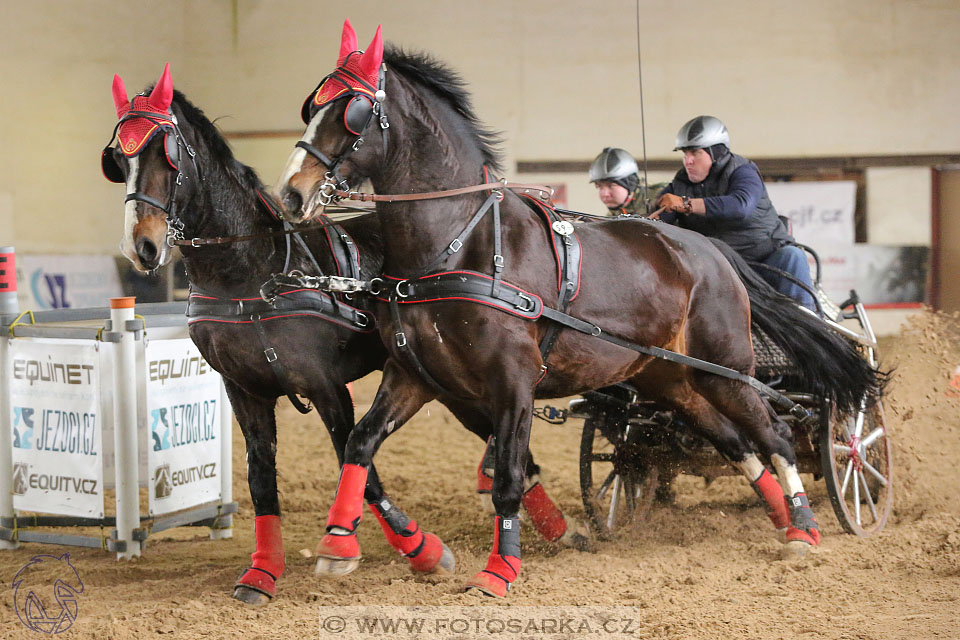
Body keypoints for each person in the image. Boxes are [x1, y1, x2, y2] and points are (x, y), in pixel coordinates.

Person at [653, 116, 816, 310]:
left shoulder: (743, 171)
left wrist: (686, 204)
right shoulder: (681, 183)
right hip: (721, 269)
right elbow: (660, 219)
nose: (688, 161)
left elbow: (740, 206)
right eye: (684, 154)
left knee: (793, 256)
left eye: (695, 153)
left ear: (716, 152)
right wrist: (652, 217)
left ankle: (806, 322)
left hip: (763, 261)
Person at [588, 147, 649, 216]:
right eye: (599, 186)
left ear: (631, 184)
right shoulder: (612, 217)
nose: (605, 194)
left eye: (611, 185)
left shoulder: (659, 198)